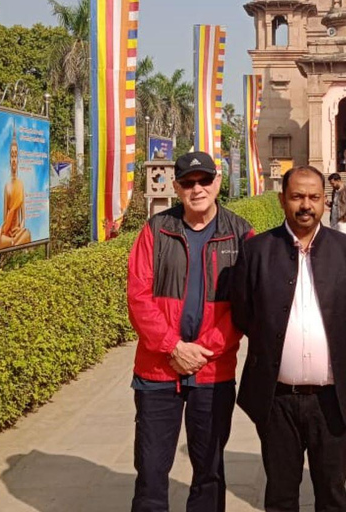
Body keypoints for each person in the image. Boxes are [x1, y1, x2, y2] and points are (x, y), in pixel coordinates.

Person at [231, 165, 346, 511]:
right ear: (282, 200)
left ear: (326, 201)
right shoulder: (257, 252)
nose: (305, 205)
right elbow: (244, 314)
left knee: (333, 494)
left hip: (332, 399)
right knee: (279, 495)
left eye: (313, 197)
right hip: (277, 399)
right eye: (297, 197)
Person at [127, 151, 254, 512]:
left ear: (217, 182)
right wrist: (172, 347)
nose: (197, 189)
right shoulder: (156, 229)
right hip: (157, 371)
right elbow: (138, 296)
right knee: (151, 471)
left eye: (204, 180)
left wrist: (202, 350)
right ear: (177, 187)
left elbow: (245, 305)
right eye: (187, 182)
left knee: (209, 471)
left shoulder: (242, 233)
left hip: (212, 372)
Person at [0, 126, 31, 250]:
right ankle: (13, 242)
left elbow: (23, 216)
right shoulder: (7, 186)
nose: (14, 159)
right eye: (12, 155)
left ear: (18, 159)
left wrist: (20, 228)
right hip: (8, 231)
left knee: (27, 234)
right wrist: (1, 231)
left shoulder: (21, 184)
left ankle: (13, 242)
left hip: (18, 231)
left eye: (16, 155)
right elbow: (6, 215)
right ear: (9, 159)